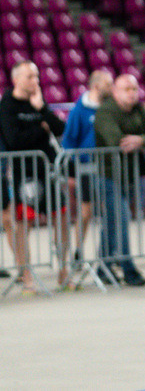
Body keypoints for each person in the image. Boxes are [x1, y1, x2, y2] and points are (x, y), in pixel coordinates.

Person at [0, 61, 69, 292]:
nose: (35, 81)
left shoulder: (37, 100)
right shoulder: (7, 105)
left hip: (47, 170)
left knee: (61, 218)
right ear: (16, 79)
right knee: (23, 224)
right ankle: (26, 274)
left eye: (37, 76)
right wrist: (41, 128)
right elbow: (14, 140)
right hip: (25, 174)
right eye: (30, 76)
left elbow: (60, 129)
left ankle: (64, 270)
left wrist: (43, 110)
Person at [94, 74, 145, 287]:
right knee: (121, 219)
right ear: (115, 91)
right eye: (127, 89)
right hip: (108, 175)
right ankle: (128, 269)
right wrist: (141, 139)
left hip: (130, 175)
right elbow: (116, 141)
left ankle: (103, 268)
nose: (132, 93)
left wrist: (140, 140)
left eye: (134, 89)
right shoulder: (105, 112)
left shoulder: (139, 109)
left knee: (112, 222)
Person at [62, 70, 114, 265]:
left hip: (108, 166)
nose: (111, 88)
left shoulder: (111, 107)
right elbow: (69, 141)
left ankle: (110, 254)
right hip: (86, 168)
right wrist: (72, 170)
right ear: (96, 86)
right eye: (108, 84)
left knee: (112, 210)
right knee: (86, 212)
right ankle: (77, 251)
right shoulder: (79, 110)